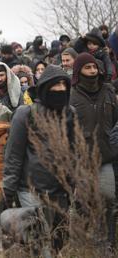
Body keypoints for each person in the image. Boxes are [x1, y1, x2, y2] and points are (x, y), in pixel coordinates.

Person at [0, 64, 75, 253]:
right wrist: (7, 191)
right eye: (55, 85)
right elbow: (14, 156)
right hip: (30, 191)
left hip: (60, 192)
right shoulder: (26, 114)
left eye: (63, 85)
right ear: (44, 89)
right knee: (41, 245)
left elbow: (75, 153)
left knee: (58, 242)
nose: (60, 90)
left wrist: (74, 185)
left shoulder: (70, 114)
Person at [69, 52, 118, 249]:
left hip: (106, 156)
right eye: (87, 68)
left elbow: (115, 120)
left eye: (94, 67)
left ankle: (107, 243)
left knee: (109, 200)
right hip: (80, 158)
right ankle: (82, 243)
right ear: (78, 70)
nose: (92, 71)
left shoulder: (108, 92)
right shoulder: (70, 95)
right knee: (82, 203)